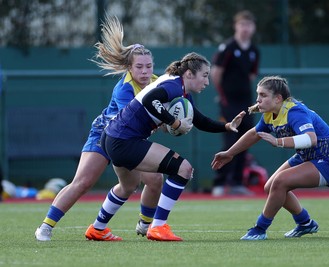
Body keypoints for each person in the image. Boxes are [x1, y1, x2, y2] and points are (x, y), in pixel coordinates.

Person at [86, 52, 246, 242]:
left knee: (128, 186)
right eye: (204, 75)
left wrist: (227, 126)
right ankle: (158, 226)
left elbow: (200, 120)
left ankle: (97, 228)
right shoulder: (173, 85)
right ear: (188, 74)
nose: (207, 82)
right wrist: (174, 122)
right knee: (183, 169)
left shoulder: (179, 89)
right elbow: (149, 100)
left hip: (112, 136)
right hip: (123, 140)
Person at [35, 15, 163, 241]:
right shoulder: (124, 89)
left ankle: (137, 226)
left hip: (129, 140)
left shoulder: (157, 82)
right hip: (105, 134)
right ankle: (46, 226)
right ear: (129, 68)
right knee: (83, 182)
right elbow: (134, 119)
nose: (145, 71)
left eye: (149, 66)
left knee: (144, 182)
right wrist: (169, 121)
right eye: (139, 67)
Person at [211, 76, 329, 240]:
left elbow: (311, 139)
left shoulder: (295, 112)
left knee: (280, 182)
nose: (258, 99)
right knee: (270, 187)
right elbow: (255, 134)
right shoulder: (269, 113)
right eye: (258, 95)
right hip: (308, 156)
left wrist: (278, 141)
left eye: (263, 95)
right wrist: (230, 153)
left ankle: (260, 229)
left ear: (278, 98)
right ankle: (305, 223)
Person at [211, 10, 260, 196]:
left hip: (247, 103)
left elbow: (252, 75)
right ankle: (220, 182)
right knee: (230, 140)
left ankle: (238, 182)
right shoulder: (228, 47)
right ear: (236, 26)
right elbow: (216, 74)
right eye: (242, 25)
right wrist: (223, 96)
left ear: (253, 28)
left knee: (246, 140)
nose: (245, 29)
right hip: (229, 103)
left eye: (248, 25)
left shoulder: (254, 51)